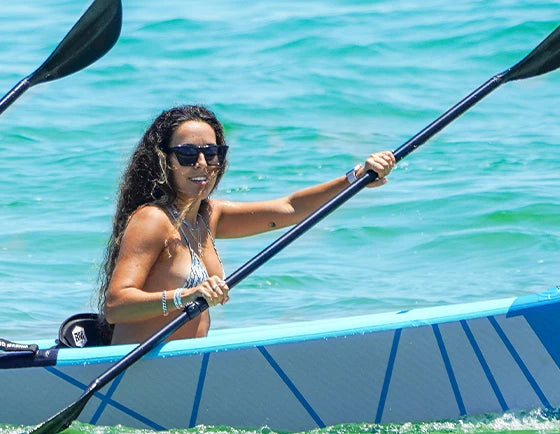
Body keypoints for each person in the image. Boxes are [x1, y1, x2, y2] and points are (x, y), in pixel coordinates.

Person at [97, 105, 396, 345]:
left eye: (212, 153)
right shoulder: (153, 219)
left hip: (185, 368)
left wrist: (354, 179)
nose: (202, 164)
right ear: (165, 161)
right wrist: (187, 296)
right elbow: (116, 305)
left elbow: (289, 208)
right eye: (188, 155)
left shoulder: (207, 216)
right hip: (139, 372)